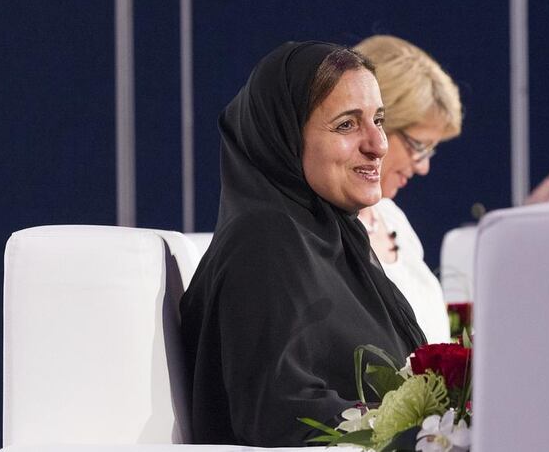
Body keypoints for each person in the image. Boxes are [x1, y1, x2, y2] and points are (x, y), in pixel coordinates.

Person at [180, 41, 425, 446]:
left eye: (378, 120)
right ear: (286, 138)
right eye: (347, 125)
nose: (378, 144)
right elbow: (282, 415)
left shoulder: (338, 241)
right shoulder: (263, 241)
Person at [353, 35, 462, 343]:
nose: (423, 167)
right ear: (374, 123)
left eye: (431, 150)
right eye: (418, 146)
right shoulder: (315, 230)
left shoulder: (392, 218)